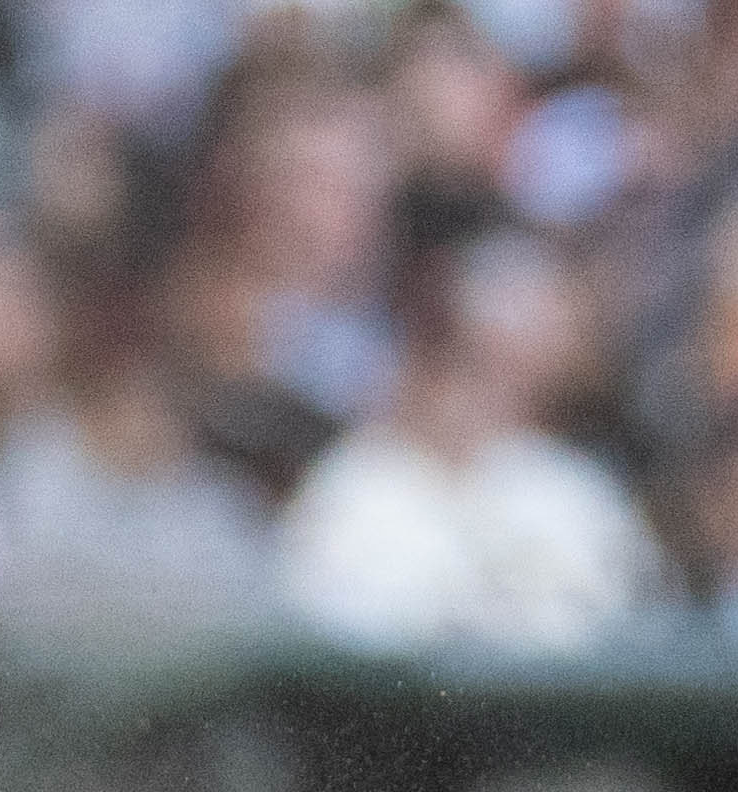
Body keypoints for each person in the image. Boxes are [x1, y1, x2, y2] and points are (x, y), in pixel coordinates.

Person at [271, 235, 666, 649]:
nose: (470, 395)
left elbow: (628, 628)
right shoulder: (357, 482)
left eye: (501, 371)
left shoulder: (571, 488)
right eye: (461, 362)